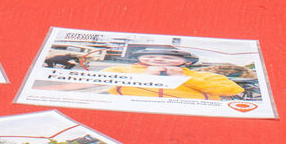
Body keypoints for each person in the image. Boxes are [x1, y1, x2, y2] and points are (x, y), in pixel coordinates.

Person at [101, 47, 244, 100]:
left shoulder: (205, 75)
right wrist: (143, 77)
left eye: (169, 58)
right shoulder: (119, 69)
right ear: (139, 58)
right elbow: (98, 81)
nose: (158, 59)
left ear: (187, 62)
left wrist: (184, 79)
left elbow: (233, 89)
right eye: (150, 57)